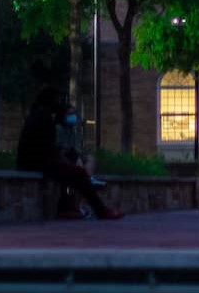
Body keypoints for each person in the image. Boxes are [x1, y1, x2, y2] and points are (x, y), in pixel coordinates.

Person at [18, 91, 122, 219]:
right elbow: (46, 150)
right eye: (56, 101)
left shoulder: (39, 116)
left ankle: (68, 208)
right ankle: (100, 210)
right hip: (34, 163)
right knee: (78, 173)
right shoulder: (43, 119)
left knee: (71, 177)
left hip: (35, 161)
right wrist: (63, 159)